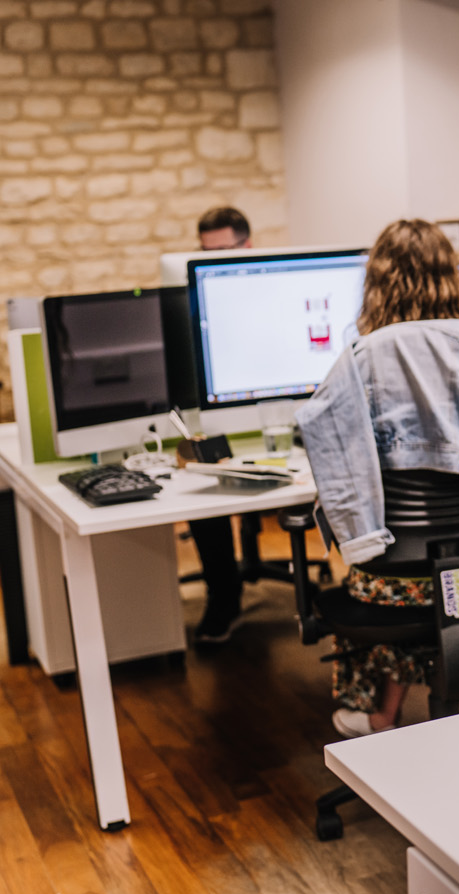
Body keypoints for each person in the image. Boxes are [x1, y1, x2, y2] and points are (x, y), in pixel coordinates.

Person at [297, 219, 459, 738]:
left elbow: (325, 434)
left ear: (378, 283)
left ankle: (380, 713)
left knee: (397, 582)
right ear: (450, 278)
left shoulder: (361, 356)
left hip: (391, 578)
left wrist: (360, 537)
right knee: (456, 597)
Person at [187, 206, 253, 643]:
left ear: (247, 246)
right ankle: (223, 595)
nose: (214, 261)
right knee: (198, 491)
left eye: (224, 251)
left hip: (286, 415)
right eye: (205, 252)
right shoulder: (198, 296)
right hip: (222, 415)